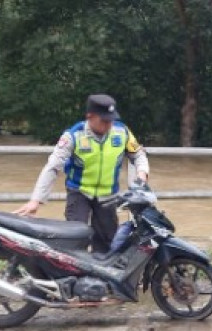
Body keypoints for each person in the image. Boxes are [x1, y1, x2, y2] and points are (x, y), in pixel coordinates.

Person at [14, 94, 149, 253]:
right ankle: (73, 276)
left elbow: (138, 154)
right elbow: (52, 166)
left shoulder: (122, 132)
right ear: (90, 117)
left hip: (108, 195)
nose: (108, 124)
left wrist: (142, 174)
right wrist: (36, 200)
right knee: (75, 239)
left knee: (107, 241)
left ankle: (100, 275)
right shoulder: (74, 135)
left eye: (111, 120)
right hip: (79, 193)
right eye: (104, 120)